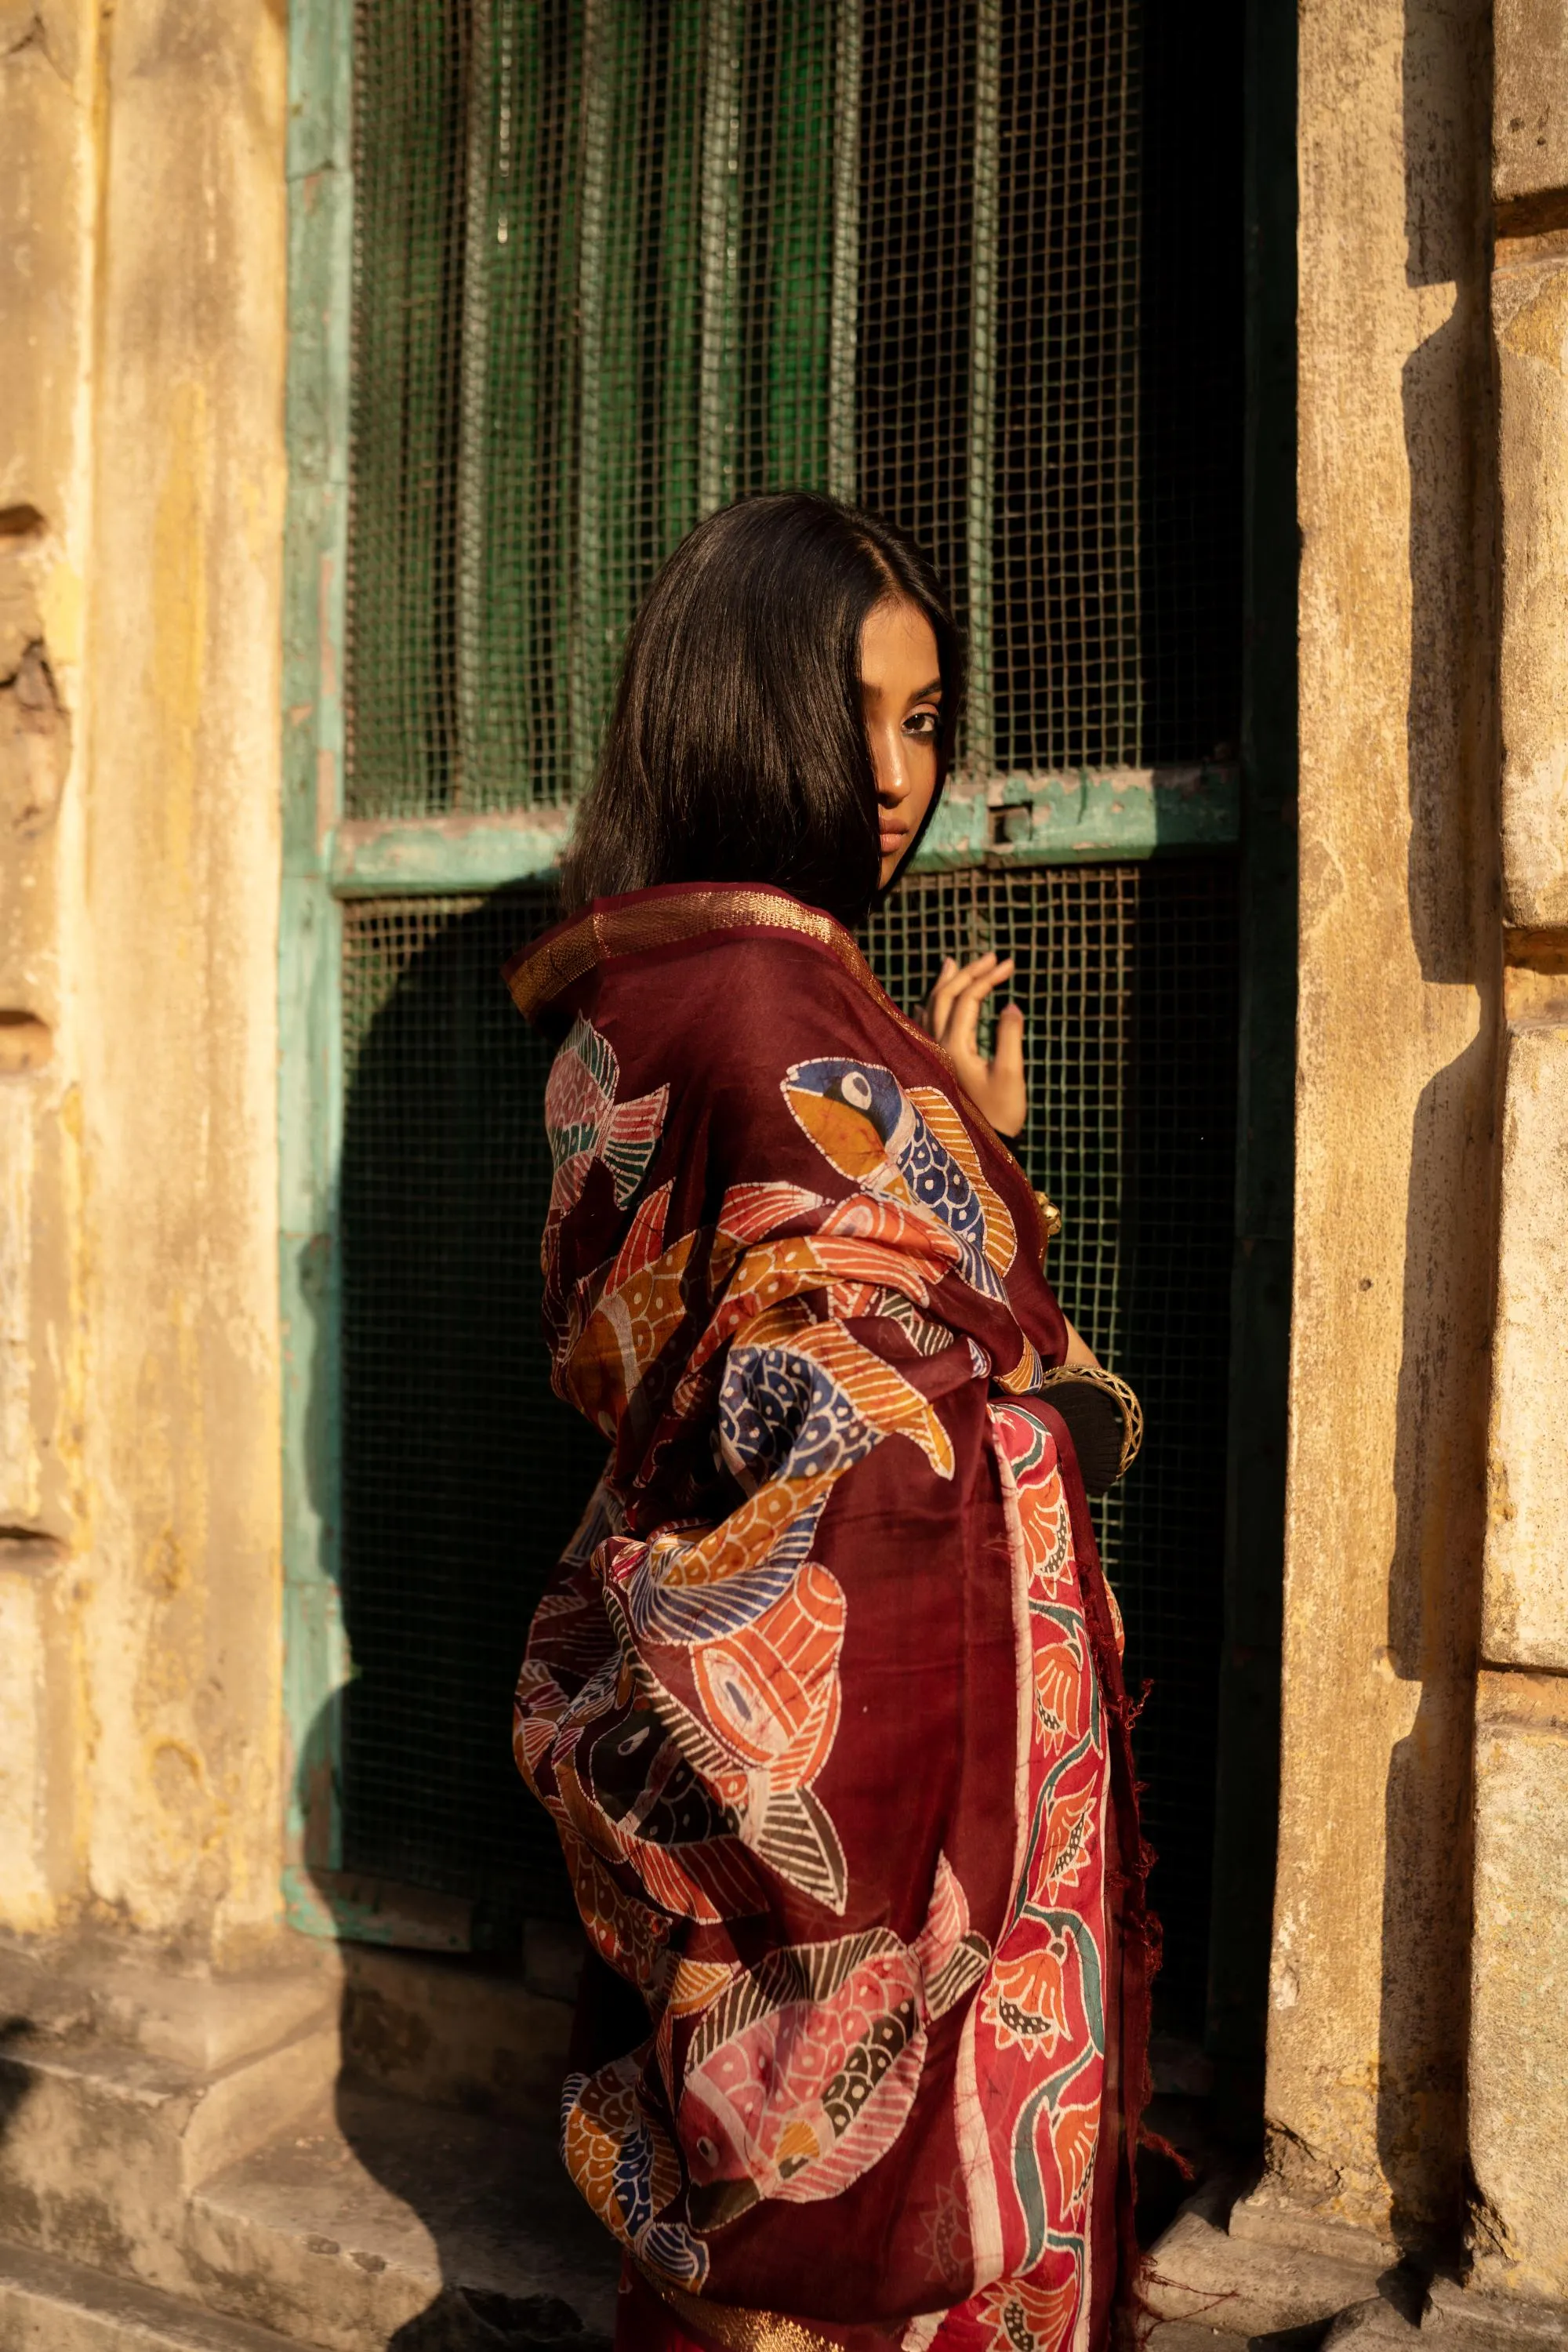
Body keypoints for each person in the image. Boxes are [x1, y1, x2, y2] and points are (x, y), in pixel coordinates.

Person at [505, 494, 1152, 2352]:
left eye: (927, 720)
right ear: (734, 707)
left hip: (726, 1676)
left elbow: (733, 1324)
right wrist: (949, 1205)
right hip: (878, 1743)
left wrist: (943, 1142)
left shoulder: (628, 986)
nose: (895, 775)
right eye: (852, 712)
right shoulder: (780, 998)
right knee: (900, 2227)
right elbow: (856, 1417)